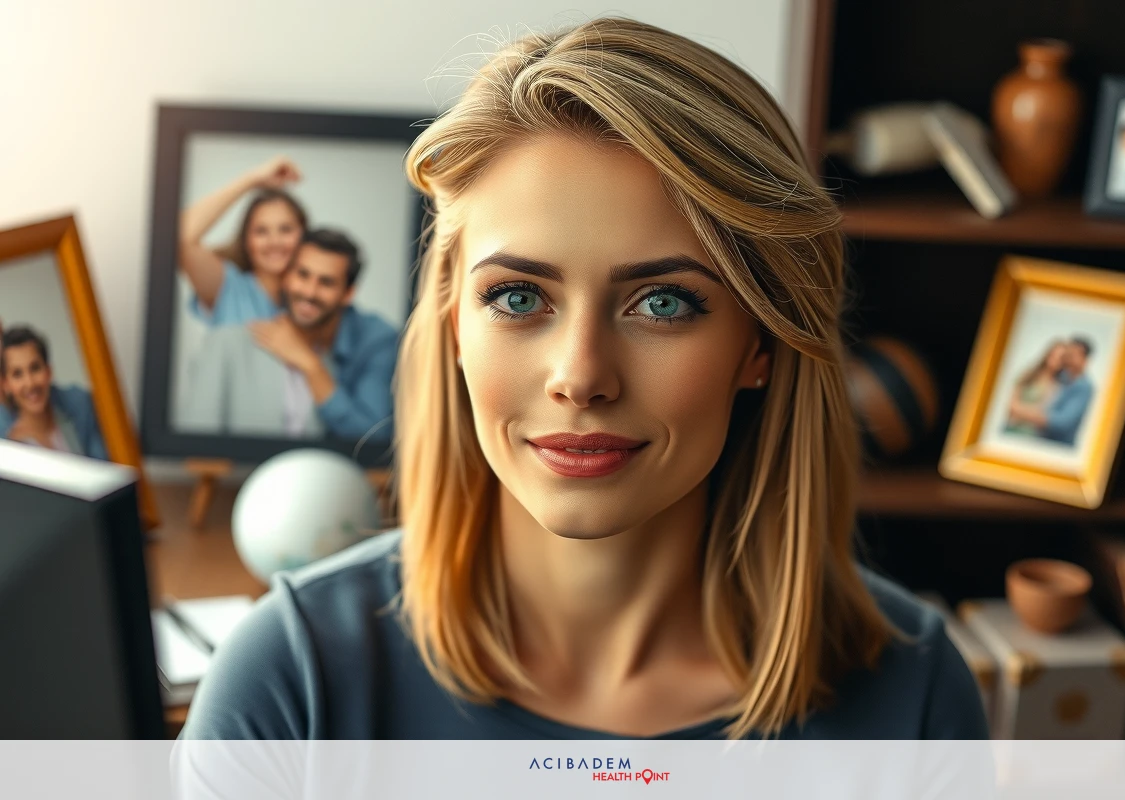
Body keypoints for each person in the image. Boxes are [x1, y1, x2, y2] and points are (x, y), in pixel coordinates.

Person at [179, 18, 987, 741]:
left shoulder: (916, 699)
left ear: (761, 343)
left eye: (663, 302)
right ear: (456, 322)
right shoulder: (285, 688)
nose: (581, 376)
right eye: (519, 297)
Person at [176, 229, 398, 441]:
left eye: (326, 282)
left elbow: (373, 438)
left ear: (348, 294)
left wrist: (310, 365)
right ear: (286, 277)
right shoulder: (229, 341)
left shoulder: (375, 340)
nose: (309, 292)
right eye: (302, 275)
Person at [178, 156, 308, 325]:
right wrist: (251, 181)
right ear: (246, 240)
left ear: (304, 235)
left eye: (285, 229)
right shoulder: (228, 288)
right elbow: (179, 236)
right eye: (261, 231)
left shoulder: (314, 300)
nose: (274, 241)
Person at [0, 322, 107, 459]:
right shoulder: (6, 445)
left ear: (49, 371)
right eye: (17, 374)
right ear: (6, 384)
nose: (30, 383)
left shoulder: (80, 409)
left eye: (35, 368)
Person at [1007, 336, 1094, 446]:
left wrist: (1019, 410)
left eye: (1073, 355)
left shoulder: (1080, 386)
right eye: (1068, 355)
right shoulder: (1034, 375)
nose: (1069, 359)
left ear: (1085, 359)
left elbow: (1061, 422)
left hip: (1050, 443)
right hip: (1015, 431)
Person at [1003, 340, 1067, 436]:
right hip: (1009, 428)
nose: (1055, 360)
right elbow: (1010, 405)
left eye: (1060, 358)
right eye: (1053, 355)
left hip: (1032, 435)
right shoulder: (1028, 374)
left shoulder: (1060, 387)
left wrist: (1021, 411)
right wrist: (1030, 413)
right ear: (1048, 354)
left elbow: (1043, 417)